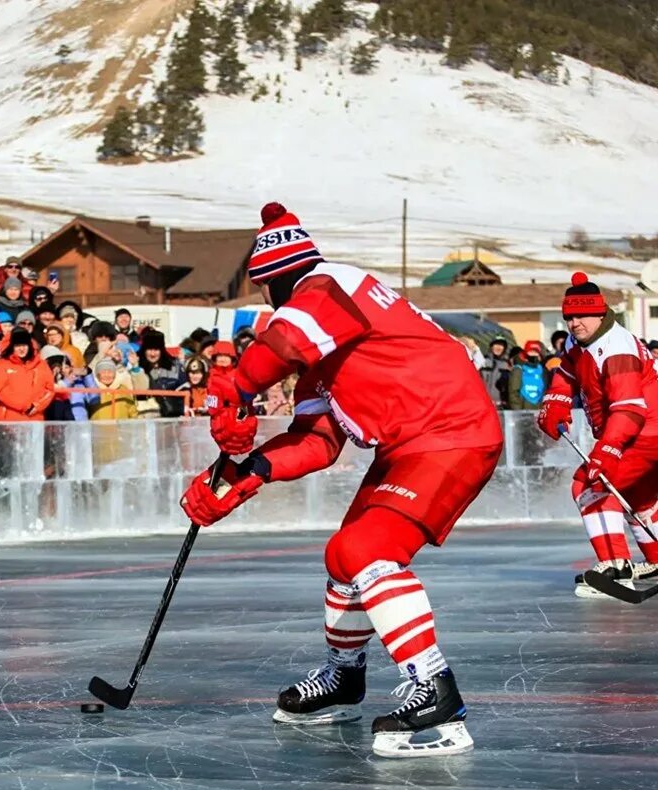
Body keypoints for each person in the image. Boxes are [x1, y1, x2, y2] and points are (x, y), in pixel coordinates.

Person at [179, 202, 503, 758]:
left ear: (273, 281)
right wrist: (245, 472)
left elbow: (279, 347)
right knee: (341, 556)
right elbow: (317, 442)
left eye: (262, 291)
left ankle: (436, 687)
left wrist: (235, 387)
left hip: (451, 433)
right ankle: (345, 675)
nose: (264, 302)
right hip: (411, 445)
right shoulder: (322, 349)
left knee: (366, 549)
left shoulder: (330, 284)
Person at [537, 273, 658, 596]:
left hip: (644, 432)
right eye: (569, 317)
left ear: (600, 313)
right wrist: (556, 400)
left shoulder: (616, 349)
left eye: (581, 316)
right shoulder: (583, 342)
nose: (574, 323)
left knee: (590, 485)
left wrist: (607, 450)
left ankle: (616, 568)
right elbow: (567, 370)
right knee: (638, 495)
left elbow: (630, 410)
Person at [0, 328, 53, 421]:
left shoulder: (41, 364)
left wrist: (37, 405)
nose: (22, 349)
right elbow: (0, 390)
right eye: (18, 345)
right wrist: (24, 405)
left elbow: (49, 389)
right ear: (12, 347)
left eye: (24, 345)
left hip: (35, 418)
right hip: (9, 419)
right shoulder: (1, 364)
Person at [507, 340, 546, 410]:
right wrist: (518, 411)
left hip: (539, 411)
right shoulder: (519, 370)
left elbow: (545, 391)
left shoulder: (542, 370)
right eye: (531, 351)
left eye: (535, 352)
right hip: (523, 411)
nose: (533, 354)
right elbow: (513, 393)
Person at [481, 337, 512, 408]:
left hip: (500, 405)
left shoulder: (507, 364)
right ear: (491, 346)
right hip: (483, 403)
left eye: (501, 345)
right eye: (496, 344)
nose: (498, 347)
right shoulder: (483, 361)